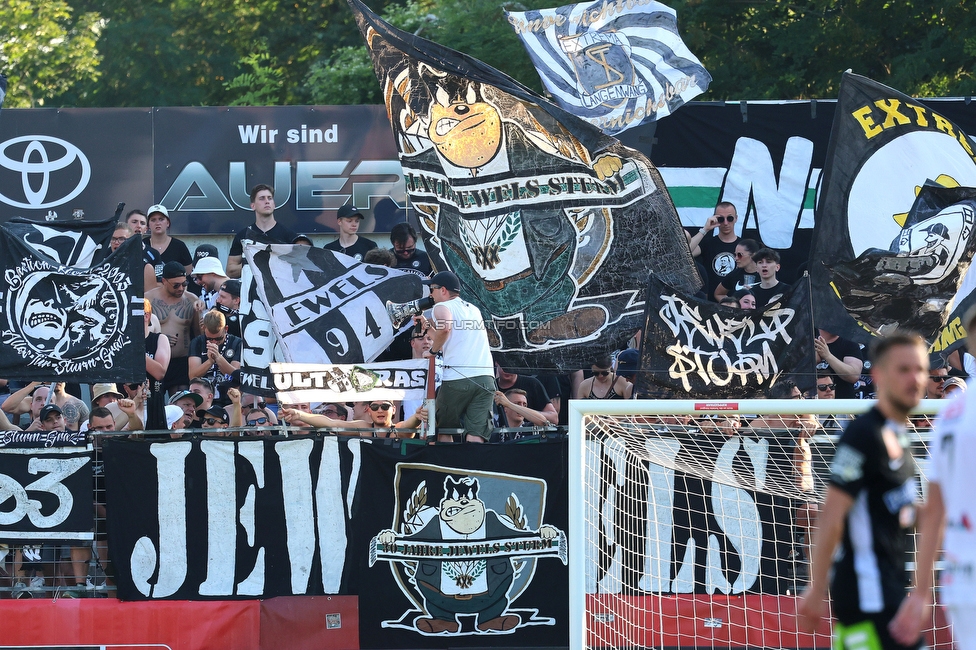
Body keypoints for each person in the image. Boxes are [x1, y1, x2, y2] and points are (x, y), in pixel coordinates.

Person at [798, 331, 929, 649]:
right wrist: (816, 589)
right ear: (879, 376)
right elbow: (831, 514)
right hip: (867, 595)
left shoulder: (896, 435)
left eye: (920, 370)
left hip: (888, 588)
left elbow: (894, 511)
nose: (915, 379)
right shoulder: (862, 434)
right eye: (903, 370)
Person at [888, 311, 976, 647]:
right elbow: (934, 510)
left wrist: (921, 590)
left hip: (962, 582)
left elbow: (933, 511)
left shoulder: (950, 414)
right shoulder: (952, 413)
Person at [423, 271, 495, 443]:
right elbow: (452, 338)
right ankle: (472, 469)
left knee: (443, 428)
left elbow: (446, 328)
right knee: (476, 434)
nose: (430, 294)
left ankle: (449, 469)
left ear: (443, 290)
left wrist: (432, 351)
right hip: (485, 378)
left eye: (432, 289)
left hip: (457, 378)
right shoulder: (473, 309)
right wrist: (427, 329)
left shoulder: (441, 307)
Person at [146, 261, 204, 395]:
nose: (181, 289)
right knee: (154, 402)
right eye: (176, 285)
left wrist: (203, 317)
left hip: (181, 362)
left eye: (184, 284)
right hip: (156, 362)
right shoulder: (149, 299)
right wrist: (162, 339)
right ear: (164, 281)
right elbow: (142, 331)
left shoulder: (191, 300)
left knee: (180, 403)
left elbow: (198, 334)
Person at [226, 184, 299, 278]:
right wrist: (254, 263)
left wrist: (273, 262)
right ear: (253, 206)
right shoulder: (243, 236)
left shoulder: (289, 236)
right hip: (251, 290)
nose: (267, 201)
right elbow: (230, 271)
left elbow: (300, 268)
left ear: (274, 205)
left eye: (270, 198)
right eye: (262, 198)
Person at [281, 400, 427, 438]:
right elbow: (331, 424)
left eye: (385, 406)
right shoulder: (363, 427)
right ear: (368, 410)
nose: (380, 410)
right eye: (375, 407)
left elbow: (409, 427)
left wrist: (416, 417)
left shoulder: (397, 430)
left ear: (393, 409)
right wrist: (300, 415)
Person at [689, 202, 741, 299]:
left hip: (737, 304)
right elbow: (685, 254)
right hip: (711, 305)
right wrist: (705, 229)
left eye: (730, 218)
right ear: (715, 219)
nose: (725, 223)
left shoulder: (743, 245)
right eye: (721, 219)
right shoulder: (708, 243)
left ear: (736, 218)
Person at [188, 310, 242, 389]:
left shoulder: (237, 343)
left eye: (218, 338)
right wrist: (210, 361)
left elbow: (235, 376)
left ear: (226, 329)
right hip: (204, 393)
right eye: (209, 338)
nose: (214, 342)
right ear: (203, 328)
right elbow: (192, 376)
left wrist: (218, 357)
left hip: (229, 394)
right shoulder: (197, 342)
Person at [144, 204, 193, 279]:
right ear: (148, 225)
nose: (157, 223)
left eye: (161, 219)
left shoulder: (179, 246)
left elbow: (188, 273)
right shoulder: (142, 245)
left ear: (168, 223)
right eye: (153, 220)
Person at [815, 328, 864, 400]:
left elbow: (854, 375)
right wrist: (811, 359)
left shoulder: (849, 342)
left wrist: (827, 355)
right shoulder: (806, 335)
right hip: (809, 404)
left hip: (841, 404)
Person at [112, 221, 157, 293]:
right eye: (113, 238)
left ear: (131, 242)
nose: (116, 242)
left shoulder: (145, 268)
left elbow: (151, 300)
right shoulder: (102, 267)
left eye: (121, 239)